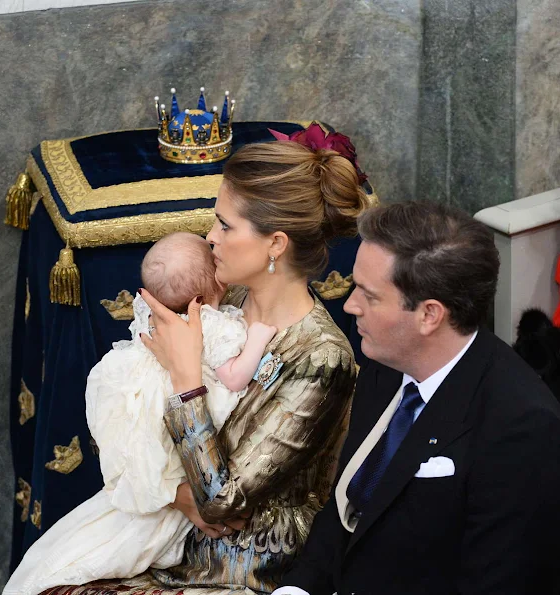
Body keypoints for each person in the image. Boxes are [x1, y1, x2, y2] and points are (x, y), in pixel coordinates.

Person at [29, 124, 372, 595]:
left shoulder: (322, 359)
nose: (209, 237)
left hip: (238, 567)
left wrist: (187, 378)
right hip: (169, 538)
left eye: (226, 226)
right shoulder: (220, 296)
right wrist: (171, 495)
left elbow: (223, 503)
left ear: (276, 244)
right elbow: (138, 403)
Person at [275, 201, 560, 595]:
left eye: (369, 296)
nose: (350, 304)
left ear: (429, 315)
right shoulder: (385, 366)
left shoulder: (521, 426)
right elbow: (347, 509)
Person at [3, 232, 278, 595]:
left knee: (75, 546)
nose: (214, 240)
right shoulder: (215, 326)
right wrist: (258, 338)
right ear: (208, 290)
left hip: (159, 443)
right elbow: (233, 375)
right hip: (182, 437)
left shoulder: (149, 320)